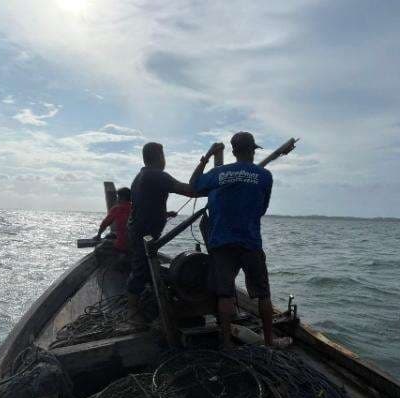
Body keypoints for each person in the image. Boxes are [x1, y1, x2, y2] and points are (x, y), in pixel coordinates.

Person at [190, 132, 297, 347]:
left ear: (233, 151)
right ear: (253, 151)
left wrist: (207, 156)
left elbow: (193, 185)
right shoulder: (264, 176)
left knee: (225, 294)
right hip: (250, 242)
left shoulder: (217, 173)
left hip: (221, 242)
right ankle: (269, 342)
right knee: (263, 294)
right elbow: (262, 209)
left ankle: (226, 345)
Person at [126, 142, 193, 318]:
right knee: (140, 269)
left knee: (143, 267)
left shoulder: (141, 176)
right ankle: (132, 314)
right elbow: (189, 190)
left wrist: (164, 213)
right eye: (163, 156)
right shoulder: (157, 175)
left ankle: (143, 304)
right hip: (143, 233)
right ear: (158, 157)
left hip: (137, 229)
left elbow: (145, 204)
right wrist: (212, 187)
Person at [94, 187, 132, 252]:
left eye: (118, 197)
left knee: (98, 250)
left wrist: (98, 235)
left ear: (123, 197)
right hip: (135, 245)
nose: (117, 199)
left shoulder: (117, 209)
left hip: (122, 245)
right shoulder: (136, 208)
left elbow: (105, 223)